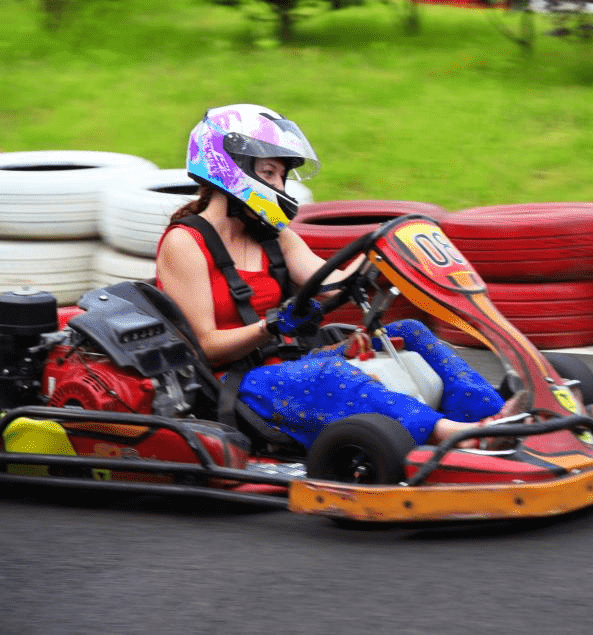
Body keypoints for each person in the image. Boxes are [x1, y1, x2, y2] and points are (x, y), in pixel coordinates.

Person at [155, 103, 523, 450]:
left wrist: (383, 254)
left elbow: (330, 285)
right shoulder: (185, 243)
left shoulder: (276, 237)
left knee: (409, 331)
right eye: (269, 173)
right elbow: (205, 347)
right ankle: (457, 435)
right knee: (327, 376)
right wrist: (272, 326)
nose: (280, 188)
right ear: (228, 167)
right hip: (232, 384)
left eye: (281, 176)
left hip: (288, 364)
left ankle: (500, 417)